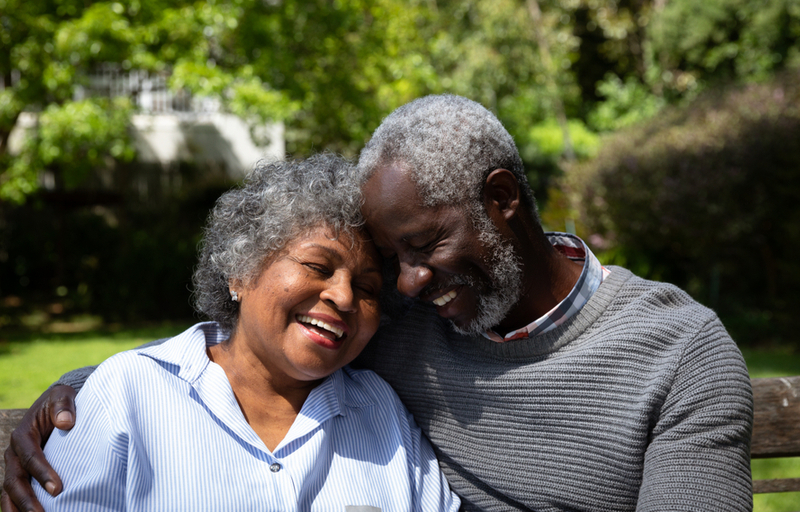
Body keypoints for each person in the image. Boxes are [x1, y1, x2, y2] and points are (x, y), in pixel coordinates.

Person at [3, 95, 753, 512]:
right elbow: (250, 344)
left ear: (501, 201)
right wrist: (81, 395)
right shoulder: (405, 322)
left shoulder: (679, 351)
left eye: (422, 247)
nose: (403, 286)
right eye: (390, 262)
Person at [13, 154, 460, 512]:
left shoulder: (381, 411)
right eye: (316, 266)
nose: (344, 297)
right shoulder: (129, 393)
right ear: (241, 273)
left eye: (367, 288)